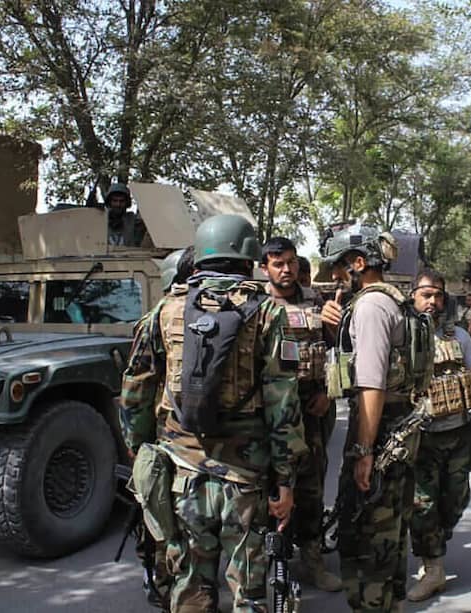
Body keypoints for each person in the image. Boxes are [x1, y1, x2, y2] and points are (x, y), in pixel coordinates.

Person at [121, 214, 307, 613]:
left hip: (181, 474)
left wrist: (138, 451)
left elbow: (135, 389)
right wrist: (286, 480)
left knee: (188, 583)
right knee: (250, 591)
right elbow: (284, 404)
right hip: (246, 479)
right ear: (248, 258)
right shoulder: (269, 314)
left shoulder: (165, 310)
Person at [319, 224, 433, 613]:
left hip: (379, 434)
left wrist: (364, 450)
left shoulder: (369, 307)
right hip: (400, 431)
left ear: (359, 262)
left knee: (365, 538)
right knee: (390, 536)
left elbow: (371, 385)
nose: (334, 275)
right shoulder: (395, 301)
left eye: (339, 266)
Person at [406, 270, 471, 602]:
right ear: (413, 296)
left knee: (456, 500)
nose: (432, 301)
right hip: (422, 438)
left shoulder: (457, 336)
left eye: (438, 295)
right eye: (426, 294)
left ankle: (433, 549)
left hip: (459, 434)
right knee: (423, 503)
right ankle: (433, 567)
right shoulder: (403, 335)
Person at [259, 237, 342, 592]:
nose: (286, 269)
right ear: (265, 267)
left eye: (291, 262)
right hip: (267, 415)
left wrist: (327, 391)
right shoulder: (253, 303)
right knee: (266, 491)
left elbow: (338, 351)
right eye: (278, 263)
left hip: (309, 409)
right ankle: (265, 564)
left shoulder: (316, 301)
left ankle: (311, 560)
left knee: (310, 490)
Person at [120, 246, 195, 609]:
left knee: (160, 520)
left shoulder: (156, 318)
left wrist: (136, 443)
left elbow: (135, 390)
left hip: (165, 443)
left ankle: (165, 586)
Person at [105, 182, 145, 247]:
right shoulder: (100, 221)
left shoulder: (135, 222)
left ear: (127, 203)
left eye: (122, 201)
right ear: (109, 202)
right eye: (115, 201)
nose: (118, 204)